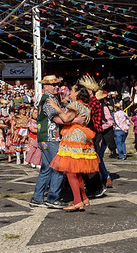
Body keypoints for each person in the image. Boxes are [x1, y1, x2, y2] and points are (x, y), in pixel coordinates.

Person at [48, 79, 100, 212]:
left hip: (73, 139)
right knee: (77, 172)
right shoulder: (86, 106)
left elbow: (65, 119)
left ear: (77, 93)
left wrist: (56, 107)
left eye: (72, 90)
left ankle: (77, 201)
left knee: (71, 171)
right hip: (82, 138)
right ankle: (83, 198)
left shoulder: (76, 104)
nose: (70, 92)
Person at [30, 75, 66, 209]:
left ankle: (37, 197)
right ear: (45, 86)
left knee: (46, 169)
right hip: (51, 138)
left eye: (57, 84)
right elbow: (56, 119)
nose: (56, 86)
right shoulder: (48, 100)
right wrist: (71, 121)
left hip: (44, 138)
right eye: (53, 85)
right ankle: (52, 198)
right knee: (58, 167)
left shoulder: (47, 99)